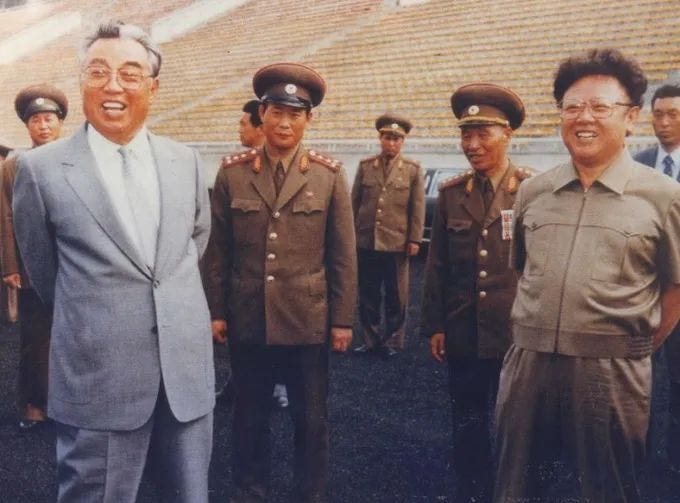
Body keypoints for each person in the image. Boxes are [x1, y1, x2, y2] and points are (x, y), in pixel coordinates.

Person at [12, 21, 214, 502]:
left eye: (130, 74)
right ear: (82, 81)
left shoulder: (185, 161)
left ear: (153, 87)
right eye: (98, 72)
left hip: (184, 377)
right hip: (98, 380)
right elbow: (45, 272)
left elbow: (193, 245)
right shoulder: (39, 170)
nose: (113, 86)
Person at [493, 48, 680, 502]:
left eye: (600, 107)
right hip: (528, 366)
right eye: (572, 106)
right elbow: (523, 271)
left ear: (631, 117)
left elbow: (675, 288)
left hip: (611, 373)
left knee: (607, 489)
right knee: (517, 488)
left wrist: (628, 345)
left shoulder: (663, 196)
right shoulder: (534, 191)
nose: (584, 118)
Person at [203, 62, 357, 502]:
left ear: (309, 119)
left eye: (294, 114)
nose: (284, 123)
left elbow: (343, 255)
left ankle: (309, 492)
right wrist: (216, 311)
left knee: (310, 418)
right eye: (276, 112)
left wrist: (342, 320)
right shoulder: (233, 173)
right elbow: (218, 251)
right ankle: (252, 490)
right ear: (262, 115)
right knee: (249, 415)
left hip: (306, 319)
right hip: (249, 315)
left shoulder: (328, 175)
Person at [421, 83, 531, 503]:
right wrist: (435, 325)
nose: (472, 145)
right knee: (467, 421)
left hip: (515, 332)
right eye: (466, 135)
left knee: (516, 424)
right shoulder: (453, 194)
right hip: (464, 330)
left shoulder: (531, 191)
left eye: (483, 134)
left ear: (508, 135)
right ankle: (472, 492)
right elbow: (438, 266)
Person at [0, 84, 66, 429]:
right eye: (36, 120)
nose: (43, 126)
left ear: (60, 123)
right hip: (31, 267)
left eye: (49, 119)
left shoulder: (75, 161)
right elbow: (6, 217)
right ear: (27, 127)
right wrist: (11, 266)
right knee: (36, 339)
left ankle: (69, 403)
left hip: (73, 265)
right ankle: (34, 405)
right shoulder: (14, 165)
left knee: (73, 336)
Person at [351, 113, 425, 358]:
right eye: (387, 138)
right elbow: (354, 203)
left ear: (402, 142)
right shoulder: (365, 166)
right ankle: (370, 339)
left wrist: (414, 239)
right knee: (368, 293)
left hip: (396, 242)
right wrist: (351, 236)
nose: (391, 143)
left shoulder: (412, 170)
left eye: (396, 139)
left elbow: (417, 208)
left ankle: (392, 340)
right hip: (367, 240)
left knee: (397, 295)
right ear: (380, 138)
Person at [634, 82, 680, 473]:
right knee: (639, 379)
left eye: (673, 115)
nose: (663, 122)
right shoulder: (639, 164)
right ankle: (640, 459)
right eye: (658, 114)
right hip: (645, 289)